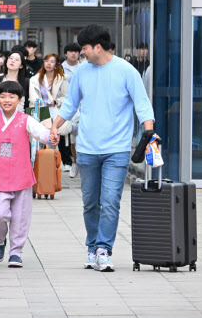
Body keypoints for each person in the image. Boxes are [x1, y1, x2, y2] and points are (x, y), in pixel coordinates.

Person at [49, 25, 154, 272]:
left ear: (97, 47)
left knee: (110, 201)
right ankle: (91, 246)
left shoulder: (127, 71)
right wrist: (55, 126)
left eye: (84, 48)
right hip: (86, 148)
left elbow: (143, 105)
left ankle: (103, 249)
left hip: (116, 148)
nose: (80, 53)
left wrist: (149, 133)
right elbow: (70, 105)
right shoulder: (82, 73)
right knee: (89, 202)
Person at [0, 81, 57, 268]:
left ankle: (16, 252)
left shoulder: (26, 119)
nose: (6, 100)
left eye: (11, 97)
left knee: (20, 216)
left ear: (19, 100)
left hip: (21, 175)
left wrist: (51, 136)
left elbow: (41, 133)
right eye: (2, 96)